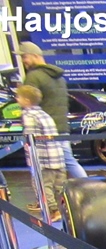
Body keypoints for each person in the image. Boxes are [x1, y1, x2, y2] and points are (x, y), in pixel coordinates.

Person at [13, 41, 85, 214]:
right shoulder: (59, 77)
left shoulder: (34, 77)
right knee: (66, 164)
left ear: (35, 55)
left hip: (44, 133)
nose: (23, 61)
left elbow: (29, 102)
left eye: (25, 57)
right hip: (61, 128)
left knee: (44, 169)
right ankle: (85, 192)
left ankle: (52, 202)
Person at [16, 85, 65, 223]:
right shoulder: (44, 114)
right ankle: (63, 210)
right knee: (59, 187)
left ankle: (54, 211)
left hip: (43, 160)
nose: (16, 99)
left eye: (18, 97)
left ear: (26, 100)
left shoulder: (28, 115)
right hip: (57, 157)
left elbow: (30, 138)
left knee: (43, 186)